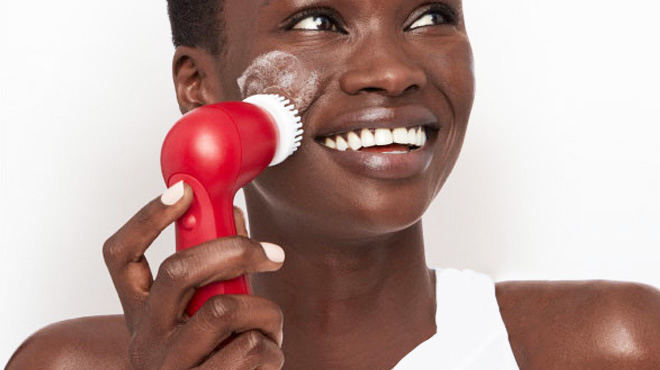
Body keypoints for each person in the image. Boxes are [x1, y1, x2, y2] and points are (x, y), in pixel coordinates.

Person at [7, 0, 660, 369]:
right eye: (318, 21)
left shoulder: (613, 347)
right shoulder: (67, 366)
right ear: (199, 87)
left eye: (431, 15)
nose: (392, 70)